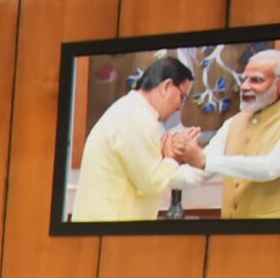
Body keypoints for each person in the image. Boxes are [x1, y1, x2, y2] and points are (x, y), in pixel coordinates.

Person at [168, 48, 280, 221]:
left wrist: (204, 161)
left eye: (256, 80)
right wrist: (156, 173)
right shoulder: (234, 123)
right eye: (244, 79)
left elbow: (271, 167)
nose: (244, 87)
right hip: (236, 232)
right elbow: (197, 172)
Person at [70, 55, 197, 223]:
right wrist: (173, 158)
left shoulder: (131, 110)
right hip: (109, 231)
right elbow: (150, 184)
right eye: (182, 97)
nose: (180, 107)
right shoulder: (138, 117)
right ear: (166, 86)